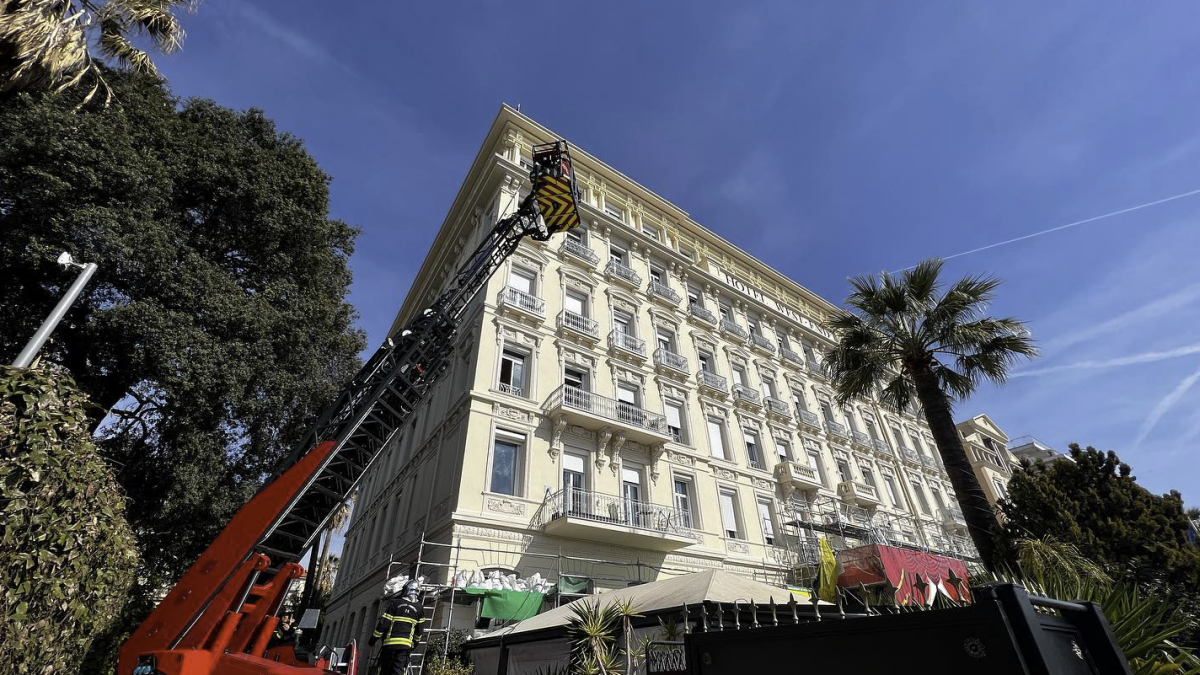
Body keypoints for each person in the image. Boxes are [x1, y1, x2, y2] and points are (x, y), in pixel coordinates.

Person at [368, 580, 423, 675]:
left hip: (389, 645)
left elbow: (383, 624)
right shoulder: (419, 608)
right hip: (405, 647)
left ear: (406, 590)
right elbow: (419, 632)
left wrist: (372, 641)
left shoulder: (395, 604)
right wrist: (414, 644)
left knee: (385, 671)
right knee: (398, 672)